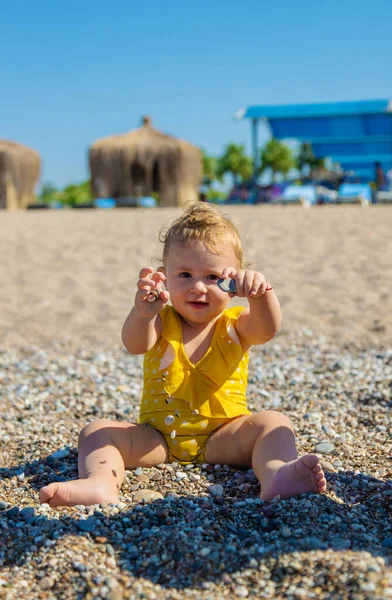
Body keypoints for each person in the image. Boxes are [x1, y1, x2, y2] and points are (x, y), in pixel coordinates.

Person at [40, 204, 327, 507]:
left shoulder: (237, 324)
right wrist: (142, 314)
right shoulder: (161, 321)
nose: (198, 287)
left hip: (225, 436)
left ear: (234, 282)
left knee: (273, 422)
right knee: (96, 432)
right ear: (164, 278)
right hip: (157, 438)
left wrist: (262, 294)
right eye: (185, 275)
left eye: (213, 276)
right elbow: (134, 343)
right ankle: (99, 482)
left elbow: (267, 329)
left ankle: (276, 474)